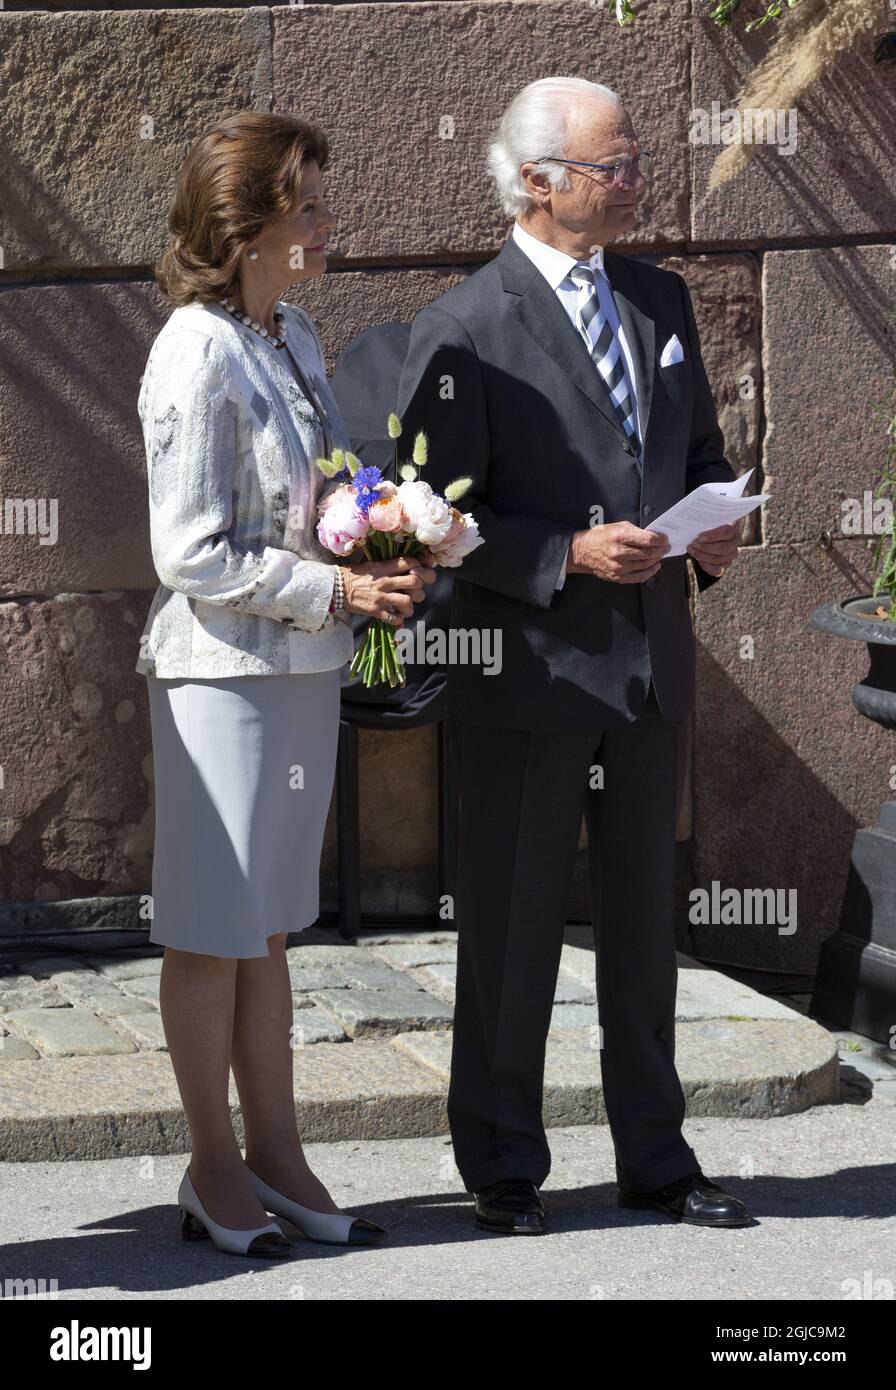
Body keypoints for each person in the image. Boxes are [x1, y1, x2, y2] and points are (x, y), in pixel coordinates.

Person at [396, 76, 750, 1234]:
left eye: (636, 158)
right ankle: (501, 1165)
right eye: (614, 164)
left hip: (648, 672)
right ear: (537, 181)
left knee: (645, 932)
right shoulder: (463, 326)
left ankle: (656, 1156)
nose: (635, 180)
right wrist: (565, 554)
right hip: (526, 679)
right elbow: (432, 516)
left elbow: (691, 441)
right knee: (511, 933)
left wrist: (707, 529)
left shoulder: (658, 299)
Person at [136, 111, 434, 1257]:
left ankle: (277, 1149)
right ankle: (212, 1167)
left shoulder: (294, 332)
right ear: (246, 221)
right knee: (212, 930)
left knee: (264, 931)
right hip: (222, 679)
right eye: (305, 202)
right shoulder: (193, 349)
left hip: (300, 672)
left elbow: (311, 498)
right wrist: (336, 594)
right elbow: (190, 551)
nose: (324, 220)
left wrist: (384, 542)